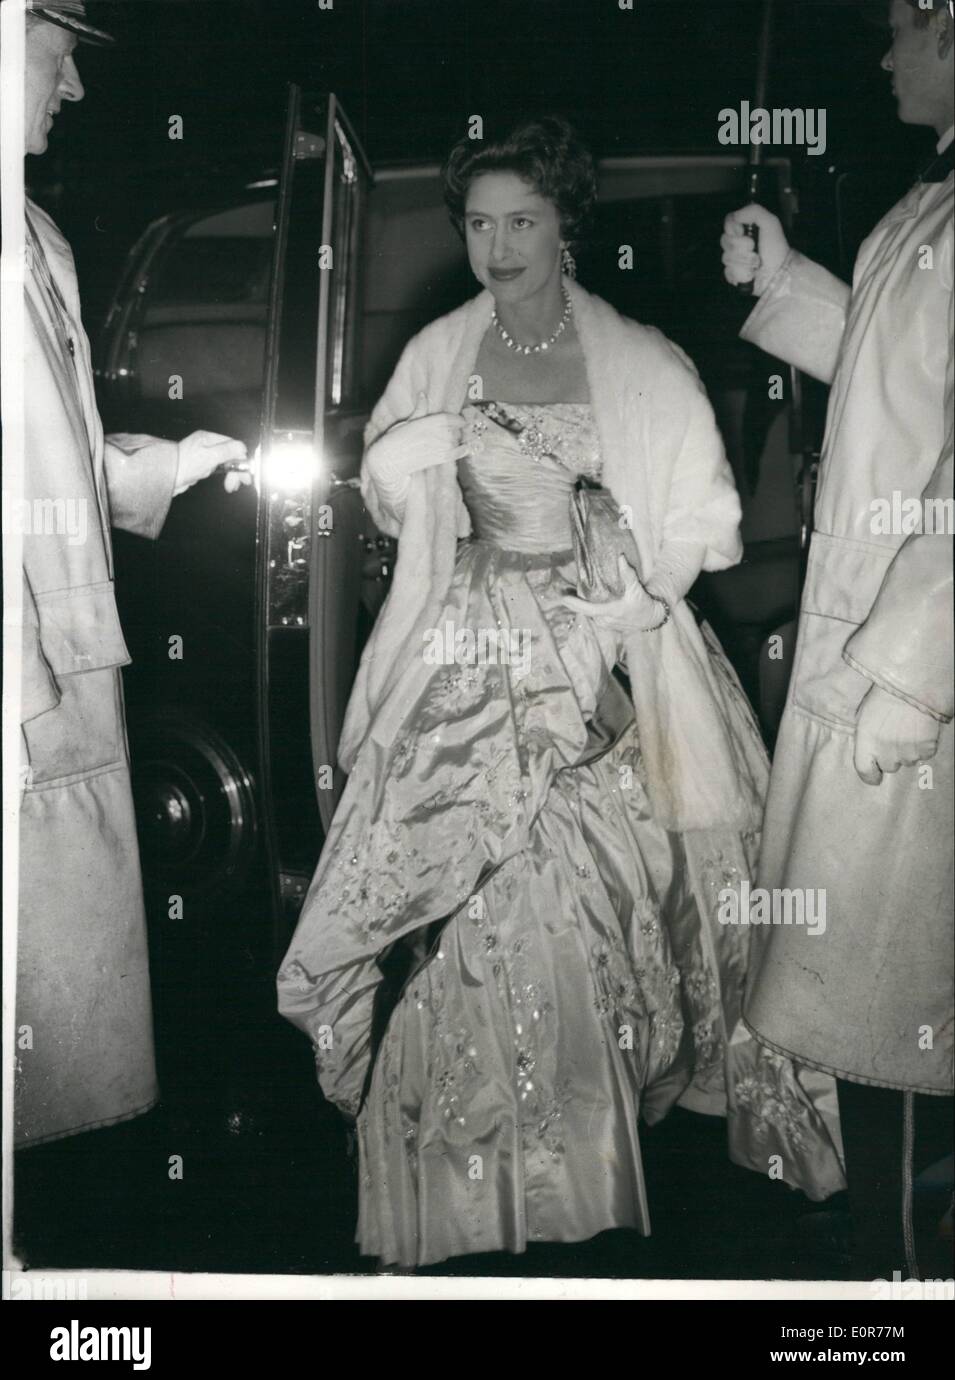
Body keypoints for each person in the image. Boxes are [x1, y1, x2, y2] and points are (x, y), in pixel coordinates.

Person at [278, 116, 845, 1272]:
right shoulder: (442, 349)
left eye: (520, 221)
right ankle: (461, 1192)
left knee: (593, 900)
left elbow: (706, 522)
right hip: (468, 644)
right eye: (479, 223)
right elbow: (388, 493)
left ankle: (577, 1181)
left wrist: (639, 605)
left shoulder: (636, 357)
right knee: (457, 899)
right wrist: (407, 454)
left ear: (563, 224)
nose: (497, 245)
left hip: (605, 643)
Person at [721, 0, 953, 1278]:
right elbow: (896, 369)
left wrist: (914, 675)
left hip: (914, 677)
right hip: (879, 648)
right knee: (876, 1003)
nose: (880, 54)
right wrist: (789, 282)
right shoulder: (928, 205)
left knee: (902, 1010)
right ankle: (888, 1254)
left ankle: (907, 1280)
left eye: (900, 27)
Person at [14, 1, 250, 1150]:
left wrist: (151, 469)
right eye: (61, 55)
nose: (77, 90)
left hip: (59, 679)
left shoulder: (38, 241)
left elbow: (40, 460)